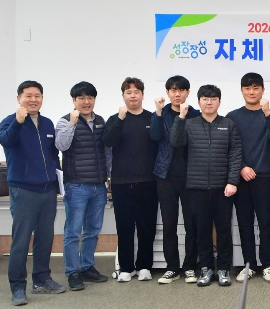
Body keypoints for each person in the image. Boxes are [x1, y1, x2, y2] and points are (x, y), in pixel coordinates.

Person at [0, 81, 66, 305]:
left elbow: (53, 155)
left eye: (37, 95)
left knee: (45, 238)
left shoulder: (47, 123)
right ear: (19, 98)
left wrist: (58, 183)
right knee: (21, 240)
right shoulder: (9, 121)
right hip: (23, 189)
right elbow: (6, 141)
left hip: (47, 190)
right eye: (28, 95)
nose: (33, 99)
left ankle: (42, 280)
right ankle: (18, 286)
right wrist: (18, 123)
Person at [170, 85, 242, 287]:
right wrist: (180, 117)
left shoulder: (228, 124)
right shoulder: (189, 124)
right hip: (197, 187)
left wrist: (232, 181)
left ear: (219, 101)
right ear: (199, 102)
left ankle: (224, 269)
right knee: (202, 231)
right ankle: (206, 268)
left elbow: (235, 154)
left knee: (224, 230)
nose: (209, 102)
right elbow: (175, 142)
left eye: (213, 99)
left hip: (223, 188)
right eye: (205, 99)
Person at [226, 73, 270, 283]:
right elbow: (229, 147)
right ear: (242, 90)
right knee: (244, 223)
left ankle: (268, 265)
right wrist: (242, 168)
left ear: (262, 90)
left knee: (266, 222)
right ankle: (248, 264)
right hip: (241, 178)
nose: (252, 92)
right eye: (248, 88)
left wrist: (267, 113)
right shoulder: (232, 117)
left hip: (264, 176)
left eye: (256, 88)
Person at [55, 81, 110, 291]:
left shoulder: (101, 121)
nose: (86, 102)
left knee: (93, 230)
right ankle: (72, 272)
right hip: (76, 185)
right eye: (81, 98)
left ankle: (87, 267)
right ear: (74, 100)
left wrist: (108, 176)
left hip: (98, 185)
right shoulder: (65, 121)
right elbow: (61, 145)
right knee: (73, 231)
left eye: (90, 98)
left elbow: (107, 151)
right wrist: (72, 123)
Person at [103, 77, 159, 283]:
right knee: (124, 226)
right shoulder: (114, 119)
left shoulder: (152, 118)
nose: (133, 95)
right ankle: (126, 267)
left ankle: (144, 266)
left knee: (147, 226)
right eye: (129, 92)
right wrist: (120, 119)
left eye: (136, 92)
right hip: (121, 181)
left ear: (142, 95)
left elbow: (158, 140)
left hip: (148, 180)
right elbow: (108, 141)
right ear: (123, 96)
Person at [150, 75, 201, 284]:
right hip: (165, 176)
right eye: (173, 90)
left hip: (191, 176)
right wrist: (158, 111)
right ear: (168, 92)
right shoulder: (161, 114)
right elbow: (154, 136)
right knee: (169, 224)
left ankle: (190, 267)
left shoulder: (195, 114)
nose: (177, 94)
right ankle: (172, 267)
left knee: (192, 224)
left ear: (188, 92)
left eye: (181, 90)